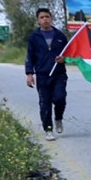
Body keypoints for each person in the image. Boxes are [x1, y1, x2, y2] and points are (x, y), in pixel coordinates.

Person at [25, 8, 68, 141]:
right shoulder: (34, 37)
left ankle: (58, 118)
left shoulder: (60, 35)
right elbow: (29, 56)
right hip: (42, 75)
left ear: (51, 18)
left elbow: (69, 53)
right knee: (45, 103)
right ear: (38, 20)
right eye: (42, 17)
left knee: (60, 98)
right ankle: (48, 129)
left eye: (47, 17)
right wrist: (29, 73)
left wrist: (64, 58)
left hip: (59, 74)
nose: (45, 19)